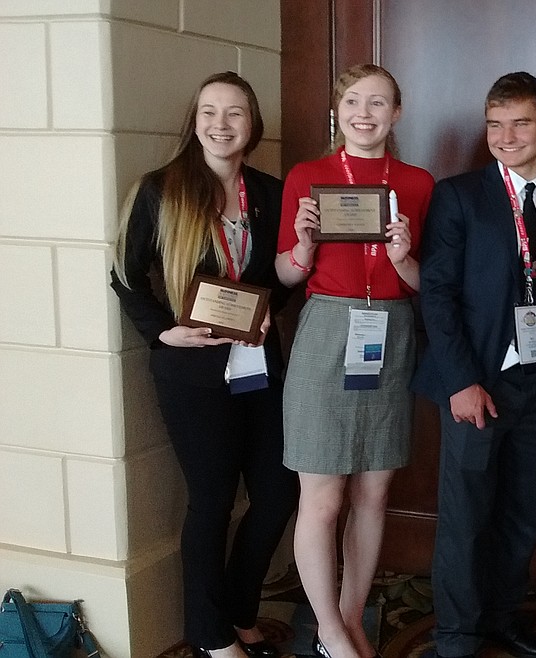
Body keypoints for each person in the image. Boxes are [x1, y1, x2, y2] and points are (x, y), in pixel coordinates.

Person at [111, 71, 297, 658]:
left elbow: (273, 281)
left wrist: (271, 311)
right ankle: (212, 636)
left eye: (235, 113)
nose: (222, 125)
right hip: (191, 374)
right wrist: (162, 332)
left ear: (253, 124)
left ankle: (242, 609)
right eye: (210, 112)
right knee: (212, 499)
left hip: (259, 364)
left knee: (276, 492)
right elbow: (124, 275)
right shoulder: (160, 190)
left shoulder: (269, 192)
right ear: (195, 122)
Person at [413, 71, 536, 658]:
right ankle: (457, 636)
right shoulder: (459, 195)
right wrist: (461, 381)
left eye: (519, 122)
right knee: (465, 517)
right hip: (477, 380)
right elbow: (436, 295)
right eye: (495, 124)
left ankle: (501, 616)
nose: (506, 136)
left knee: (521, 513)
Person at [274, 64, 434, 658]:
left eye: (378, 103)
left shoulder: (417, 183)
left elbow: (425, 286)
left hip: (390, 333)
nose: (364, 113)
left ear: (397, 113)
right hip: (325, 329)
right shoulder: (308, 176)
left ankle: (351, 617)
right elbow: (287, 275)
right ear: (336, 111)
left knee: (373, 490)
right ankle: (329, 630)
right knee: (321, 497)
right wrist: (303, 246)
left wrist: (402, 258)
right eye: (353, 101)